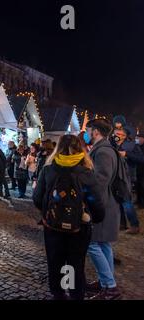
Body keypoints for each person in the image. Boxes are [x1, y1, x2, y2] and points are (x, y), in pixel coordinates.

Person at [33, 135, 105, 300]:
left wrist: (47, 214)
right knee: (74, 262)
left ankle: (58, 294)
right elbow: (96, 202)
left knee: (55, 260)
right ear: (80, 149)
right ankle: (74, 293)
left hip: (52, 226)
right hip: (79, 227)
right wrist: (95, 218)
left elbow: (37, 198)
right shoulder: (86, 171)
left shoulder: (48, 169)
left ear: (58, 148)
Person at [85, 119, 122, 300]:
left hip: (101, 205)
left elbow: (100, 181)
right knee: (103, 243)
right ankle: (105, 281)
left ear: (96, 131)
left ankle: (110, 287)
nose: (86, 133)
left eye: (88, 129)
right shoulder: (104, 149)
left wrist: (88, 202)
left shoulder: (103, 151)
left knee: (92, 243)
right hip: (105, 204)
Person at [111, 127, 143, 234]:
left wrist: (127, 154)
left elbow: (141, 159)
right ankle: (122, 224)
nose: (117, 136)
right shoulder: (113, 144)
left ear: (124, 136)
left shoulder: (133, 145)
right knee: (117, 200)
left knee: (126, 201)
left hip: (127, 177)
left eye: (119, 134)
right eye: (115, 133)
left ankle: (134, 225)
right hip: (115, 176)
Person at [136, 132, 144, 208]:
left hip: (142, 170)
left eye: (139, 138)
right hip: (138, 169)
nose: (137, 140)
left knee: (142, 186)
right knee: (138, 185)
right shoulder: (138, 146)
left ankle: (142, 203)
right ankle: (138, 200)